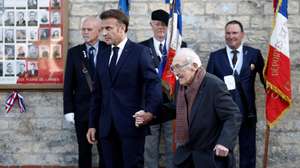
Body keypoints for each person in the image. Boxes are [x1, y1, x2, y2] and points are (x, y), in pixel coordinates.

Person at [86, 9, 162, 168]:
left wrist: (150, 112)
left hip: (132, 126)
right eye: (102, 29)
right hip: (106, 128)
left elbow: (153, 84)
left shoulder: (140, 52)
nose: (104, 33)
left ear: (122, 28)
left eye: (108, 28)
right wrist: (92, 124)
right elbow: (97, 93)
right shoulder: (102, 54)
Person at [206, 20, 265, 168]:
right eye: (228, 33)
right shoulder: (215, 57)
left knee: (248, 152)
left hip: (247, 112)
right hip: (222, 114)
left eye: (235, 33)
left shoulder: (254, 54)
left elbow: (267, 81)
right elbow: (207, 87)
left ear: (242, 34)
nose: (231, 36)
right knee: (222, 151)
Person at [171, 48, 241, 168]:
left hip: (209, 158)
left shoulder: (214, 85)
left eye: (178, 67)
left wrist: (224, 143)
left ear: (193, 66)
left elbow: (233, 115)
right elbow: (175, 107)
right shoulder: (180, 85)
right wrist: (150, 115)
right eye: (173, 68)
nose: (175, 72)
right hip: (185, 157)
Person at [140, 9, 186, 168]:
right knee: (149, 148)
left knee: (173, 146)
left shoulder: (180, 46)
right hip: (150, 106)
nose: (161, 28)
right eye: (157, 24)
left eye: (165, 25)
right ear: (151, 24)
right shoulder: (141, 47)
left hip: (173, 105)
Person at [63, 16, 105, 168]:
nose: (85, 32)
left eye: (89, 29)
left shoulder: (108, 50)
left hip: (104, 111)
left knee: (105, 151)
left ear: (99, 31)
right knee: (84, 151)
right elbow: (68, 84)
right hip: (82, 111)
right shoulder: (74, 52)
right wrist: (68, 110)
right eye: (83, 29)